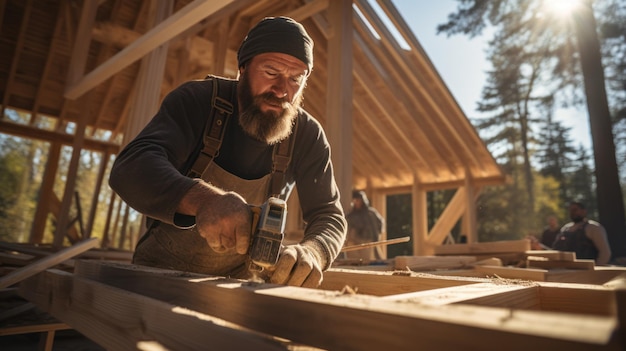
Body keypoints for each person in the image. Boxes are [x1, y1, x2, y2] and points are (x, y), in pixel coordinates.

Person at [109, 16, 347, 288]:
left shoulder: (307, 135)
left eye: (296, 79)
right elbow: (131, 167)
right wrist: (204, 201)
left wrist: (314, 251)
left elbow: (329, 214)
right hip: (159, 277)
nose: (283, 91)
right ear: (242, 68)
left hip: (242, 287)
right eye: (271, 72)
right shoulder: (197, 102)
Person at [552, 201, 612, 265]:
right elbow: (555, 250)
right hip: (566, 271)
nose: (572, 212)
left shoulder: (593, 228)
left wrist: (595, 269)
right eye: (570, 210)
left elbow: (605, 252)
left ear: (584, 211)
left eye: (575, 210)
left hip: (587, 272)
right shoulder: (565, 229)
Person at [345, 190, 384, 260]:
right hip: (353, 242)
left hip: (367, 241)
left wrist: (377, 235)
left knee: (366, 261)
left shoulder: (371, 213)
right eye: (355, 200)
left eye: (358, 200)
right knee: (353, 261)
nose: (357, 202)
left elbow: (380, 223)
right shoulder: (350, 215)